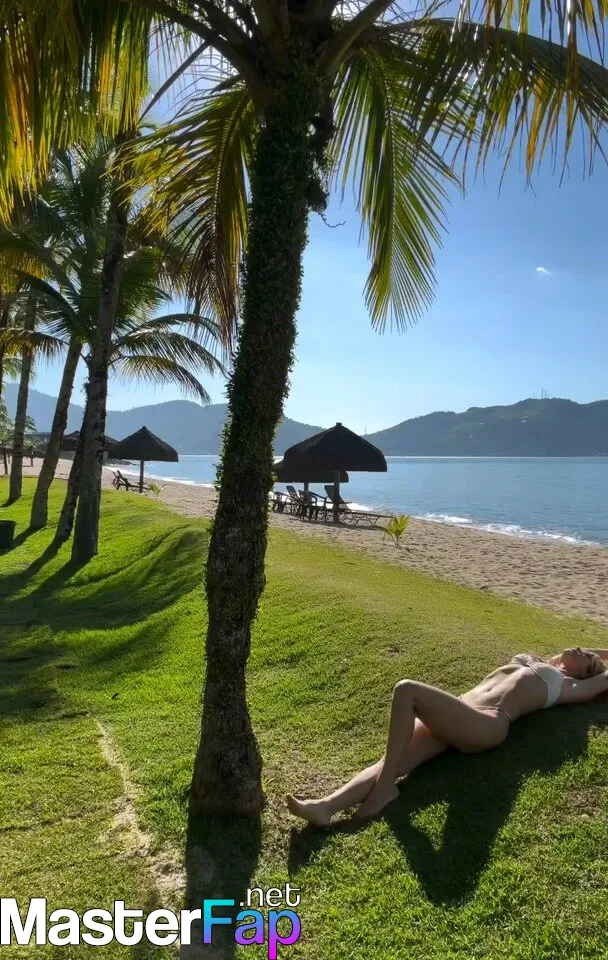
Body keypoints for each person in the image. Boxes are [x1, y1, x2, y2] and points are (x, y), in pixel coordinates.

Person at [286, 647, 608, 826]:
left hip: (487, 722)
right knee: (390, 760)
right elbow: (574, 652)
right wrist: (589, 653)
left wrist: (599, 660)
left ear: (584, 673)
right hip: (460, 710)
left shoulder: (569, 686)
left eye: (587, 656)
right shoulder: (544, 661)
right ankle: (326, 806)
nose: (581, 648)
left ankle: (384, 789)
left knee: (406, 690)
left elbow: (603, 676)